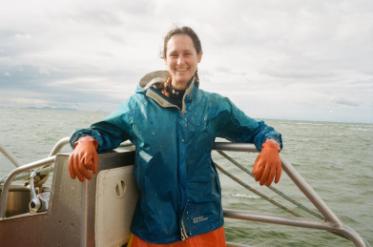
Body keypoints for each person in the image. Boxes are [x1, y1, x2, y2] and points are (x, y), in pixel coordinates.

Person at [68, 26, 283, 247]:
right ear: (165, 59)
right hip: (152, 227)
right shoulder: (137, 107)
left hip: (204, 224)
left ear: (199, 56)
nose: (181, 61)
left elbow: (259, 129)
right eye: (174, 54)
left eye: (187, 53)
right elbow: (102, 131)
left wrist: (270, 147)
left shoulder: (214, 106)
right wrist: (86, 142)